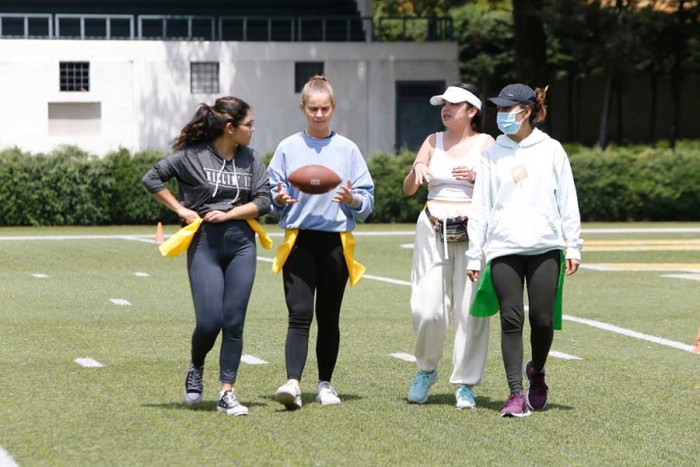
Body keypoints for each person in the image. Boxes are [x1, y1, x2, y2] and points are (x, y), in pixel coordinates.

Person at [141, 96, 271, 416]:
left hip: (242, 244)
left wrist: (230, 215)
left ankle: (227, 391)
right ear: (230, 128)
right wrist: (181, 209)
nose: (253, 130)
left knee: (234, 321)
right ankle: (196, 366)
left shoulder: (250, 159)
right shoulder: (192, 156)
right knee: (210, 321)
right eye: (248, 125)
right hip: (204, 246)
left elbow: (265, 201)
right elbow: (152, 178)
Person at [466, 83, 583, 417]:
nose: (501, 116)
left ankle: (538, 372)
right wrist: (476, 253)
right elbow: (481, 207)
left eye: (508, 109)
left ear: (527, 111)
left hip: (546, 246)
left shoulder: (552, 150)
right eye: (499, 110)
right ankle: (515, 393)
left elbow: (568, 201)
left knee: (543, 319)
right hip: (503, 247)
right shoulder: (492, 154)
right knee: (511, 318)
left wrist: (573, 245)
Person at [267, 75, 375, 410]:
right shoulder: (287, 148)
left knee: (329, 316)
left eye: (324, 108)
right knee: (299, 314)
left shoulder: (348, 149)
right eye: (312, 108)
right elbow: (269, 196)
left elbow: (368, 203)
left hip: (334, 242)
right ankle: (293, 383)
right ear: (303, 108)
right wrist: (278, 199)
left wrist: (352, 199)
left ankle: (325, 384)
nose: (318, 114)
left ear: (333, 108)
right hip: (299, 240)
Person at [402, 83, 494, 409]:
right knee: (428, 309)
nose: (446, 109)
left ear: (472, 110)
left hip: (472, 232)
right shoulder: (432, 140)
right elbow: (408, 189)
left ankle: (466, 383)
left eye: (454, 104)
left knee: (470, 311)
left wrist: (476, 177)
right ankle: (426, 371)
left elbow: (497, 189)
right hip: (431, 226)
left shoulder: (486, 143)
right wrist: (418, 169)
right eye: (443, 104)